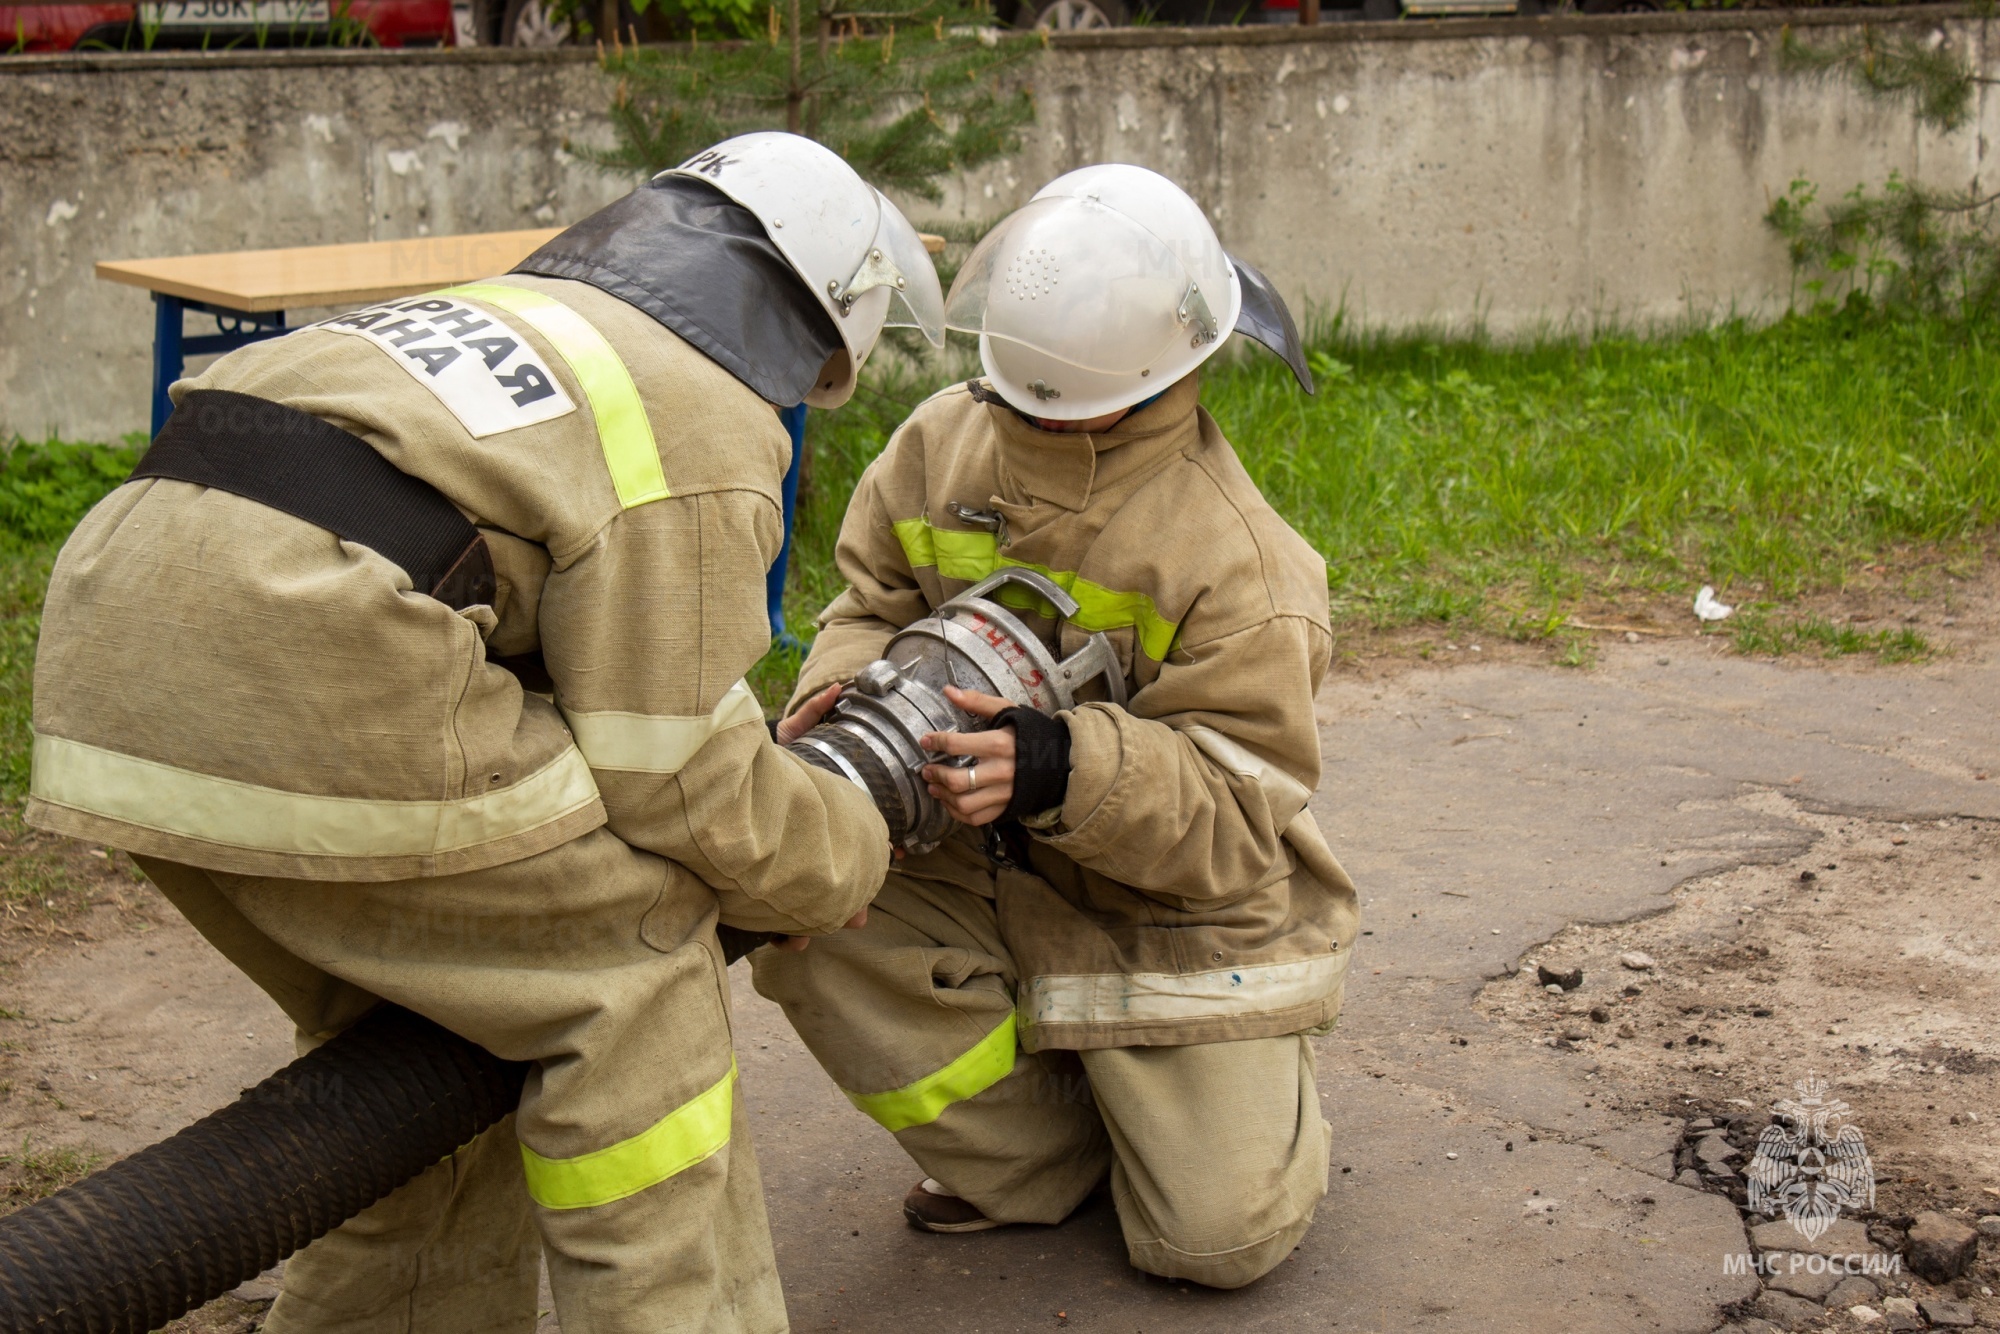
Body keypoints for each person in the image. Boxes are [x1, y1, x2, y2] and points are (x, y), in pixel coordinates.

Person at [25, 132, 943, 1334]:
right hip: (312, 666)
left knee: (442, 1037)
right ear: (828, 325)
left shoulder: (514, 316)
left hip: (112, 670)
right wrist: (837, 854)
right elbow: (673, 774)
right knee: (630, 960)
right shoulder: (702, 415)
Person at [752, 164, 1359, 1290]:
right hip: (960, 846)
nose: (1028, 418)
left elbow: (1235, 815)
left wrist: (1056, 766)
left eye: (1061, 403)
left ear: (1167, 369)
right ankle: (1038, 1155)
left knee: (1215, 1238)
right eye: (1017, 397)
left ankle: (1222, 1092)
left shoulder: (1238, 560)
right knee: (803, 911)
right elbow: (868, 602)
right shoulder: (939, 445)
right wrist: (838, 692)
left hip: (1153, 905)